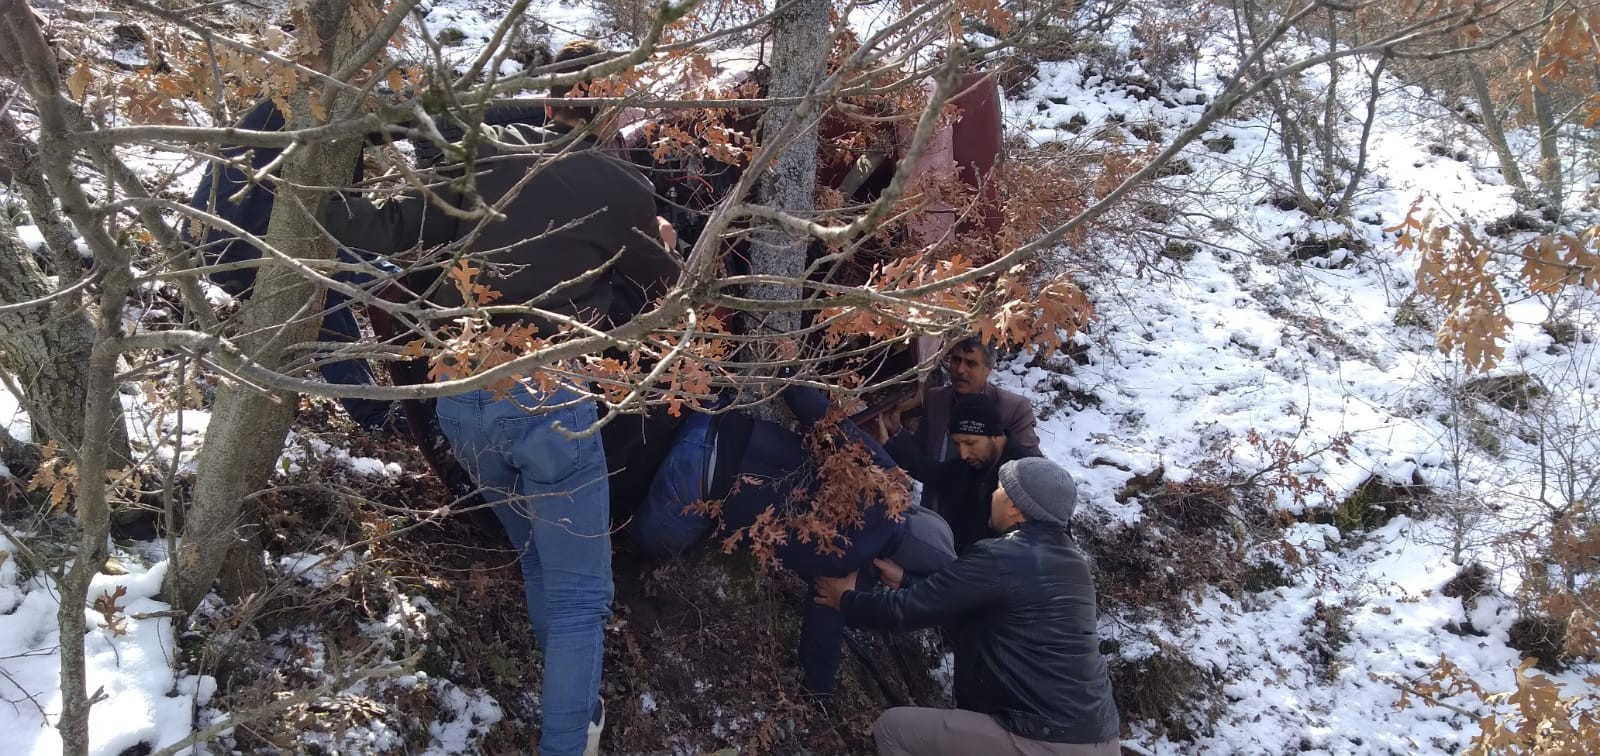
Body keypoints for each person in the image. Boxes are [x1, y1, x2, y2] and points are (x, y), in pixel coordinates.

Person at [320, 39, 679, 756]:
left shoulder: (479, 155)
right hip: (548, 400)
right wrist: (663, 240)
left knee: (543, 563)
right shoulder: (617, 183)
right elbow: (659, 283)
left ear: (548, 101)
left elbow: (377, 227)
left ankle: (574, 703)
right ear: (612, 114)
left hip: (461, 401)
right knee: (581, 598)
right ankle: (569, 735)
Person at [631, 385, 956, 698]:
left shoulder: (885, 478)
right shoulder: (849, 573)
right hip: (693, 487)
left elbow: (823, 417)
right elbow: (821, 637)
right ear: (897, 565)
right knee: (642, 547)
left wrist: (788, 372)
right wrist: (819, 694)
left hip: (712, 423)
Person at [814, 456, 1120, 756]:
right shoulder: (1072, 565)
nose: (993, 495)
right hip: (1099, 737)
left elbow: (904, 611)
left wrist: (846, 599)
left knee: (893, 730)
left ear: (1015, 506)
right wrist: (907, 580)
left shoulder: (1003, 556)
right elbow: (970, 605)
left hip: (1040, 738)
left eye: (1000, 489)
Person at [186, 98, 405, 432]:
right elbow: (388, 123)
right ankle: (393, 404)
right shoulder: (316, 108)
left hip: (221, 240)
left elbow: (386, 127)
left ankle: (377, 411)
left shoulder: (292, 100)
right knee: (382, 283)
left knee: (327, 307)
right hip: (245, 238)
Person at [884, 392, 1042, 552]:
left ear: (995, 435)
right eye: (957, 444)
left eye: (970, 443)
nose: (963, 453)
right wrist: (891, 438)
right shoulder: (971, 464)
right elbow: (931, 472)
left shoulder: (1027, 476)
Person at [886, 336, 1039, 463]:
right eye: (956, 360)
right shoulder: (936, 399)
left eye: (970, 363)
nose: (960, 370)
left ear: (988, 368)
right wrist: (896, 430)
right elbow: (921, 453)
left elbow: (1031, 467)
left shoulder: (1012, 409)